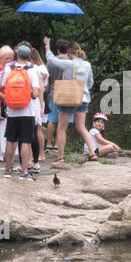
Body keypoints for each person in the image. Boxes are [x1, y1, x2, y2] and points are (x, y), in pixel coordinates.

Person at [43, 36, 97, 167]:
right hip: (83, 98)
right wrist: (82, 90)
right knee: (82, 127)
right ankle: (92, 153)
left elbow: (50, 59)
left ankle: (60, 156)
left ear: (68, 52)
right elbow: (90, 83)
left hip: (69, 99)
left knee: (62, 128)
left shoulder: (68, 63)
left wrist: (47, 45)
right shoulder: (87, 64)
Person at [0, 43, 41, 180]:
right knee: (26, 141)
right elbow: (35, 92)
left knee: (10, 140)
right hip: (27, 111)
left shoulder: (9, 68)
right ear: (29, 56)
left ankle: (7, 169)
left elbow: (1, 85)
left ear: (17, 55)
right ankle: (24, 171)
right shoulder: (32, 69)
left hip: (11, 111)